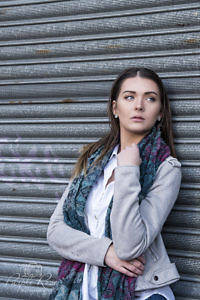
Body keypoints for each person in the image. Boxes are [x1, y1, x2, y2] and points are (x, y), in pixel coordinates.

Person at [47, 67, 182, 300]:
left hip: (141, 293)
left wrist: (129, 169)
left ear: (160, 112)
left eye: (150, 98)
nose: (139, 105)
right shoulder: (92, 159)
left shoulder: (166, 168)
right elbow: (56, 231)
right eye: (129, 97)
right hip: (83, 290)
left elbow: (130, 246)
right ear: (115, 108)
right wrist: (106, 253)